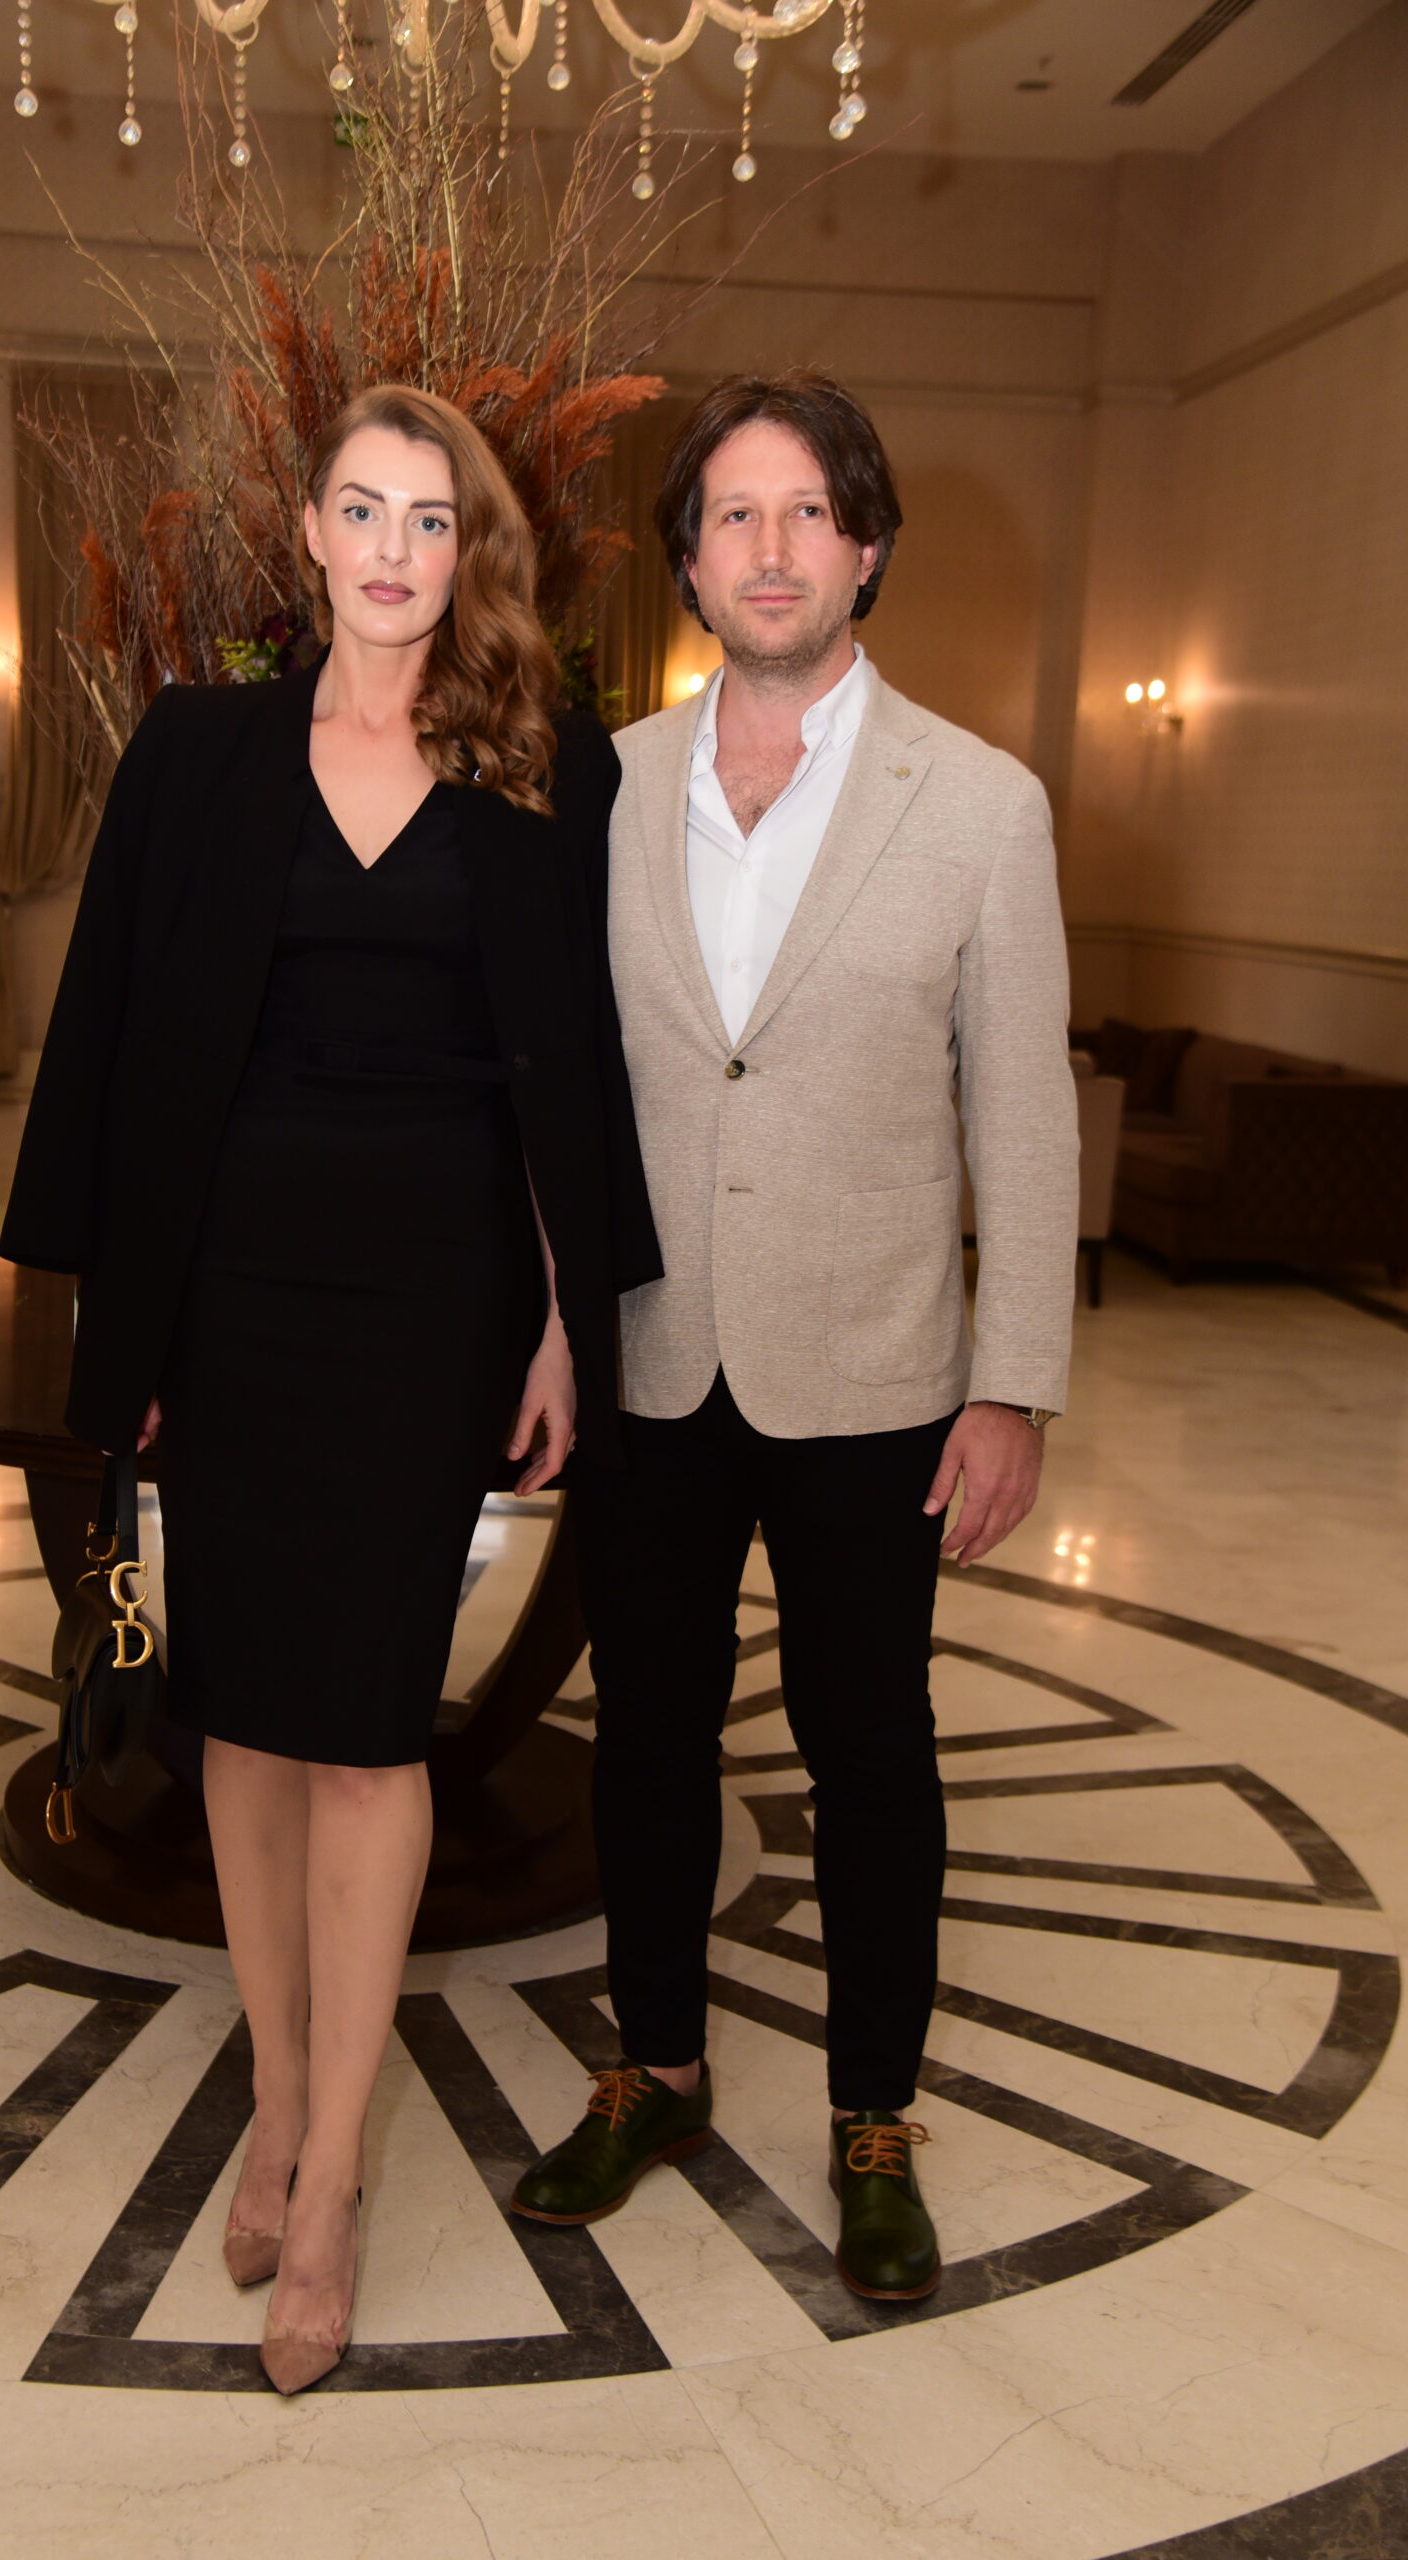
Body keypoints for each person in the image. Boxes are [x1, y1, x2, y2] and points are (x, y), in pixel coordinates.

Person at [0, 383, 659, 2392]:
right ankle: (276, 2104)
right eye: (361, 510)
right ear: (306, 533)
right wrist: (119, 1327)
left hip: (436, 1300)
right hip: (235, 1297)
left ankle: (342, 2167)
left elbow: (574, 1061)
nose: (393, 550)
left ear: (474, 548)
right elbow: (109, 1027)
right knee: (242, 1722)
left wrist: (563, 1320)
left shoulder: (547, 760)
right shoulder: (197, 749)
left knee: (370, 1732)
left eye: (430, 518)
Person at [511, 370, 1078, 2302]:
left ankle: (873, 2117)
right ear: (685, 562)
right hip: (654, 1357)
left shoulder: (979, 803)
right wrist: (544, 1324)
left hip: (876, 1375)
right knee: (646, 1739)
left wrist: (1013, 1384)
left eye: (807, 512)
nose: (770, 548)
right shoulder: (600, 787)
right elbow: (555, 1082)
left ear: (867, 548)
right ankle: (657, 2068)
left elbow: (1022, 1114)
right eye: (732, 515)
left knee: (870, 1754)